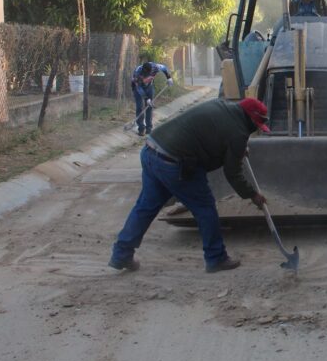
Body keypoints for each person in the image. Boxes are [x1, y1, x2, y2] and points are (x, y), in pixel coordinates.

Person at [109, 97, 270, 273]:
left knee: (145, 206)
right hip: (174, 162)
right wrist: (252, 195)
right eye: (256, 125)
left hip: (151, 149)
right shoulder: (238, 132)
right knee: (205, 208)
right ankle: (216, 258)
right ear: (250, 119)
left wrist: (236, 149)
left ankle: (121, 255)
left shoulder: (222, 105)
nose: (254, 129)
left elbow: (217, 134)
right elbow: (233, 174)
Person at [130, 61, 173, 136]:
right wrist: (146, 99)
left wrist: (169, 77)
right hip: (138, 89)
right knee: (140, 107)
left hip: (149, 87)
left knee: (149, 107)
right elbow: (139, 88)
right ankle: (141, 129)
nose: (147, 76)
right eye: (145, 75)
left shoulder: (155, 67)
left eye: (148, 74)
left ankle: (149, 128)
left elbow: (164, 68)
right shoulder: (137, 73)